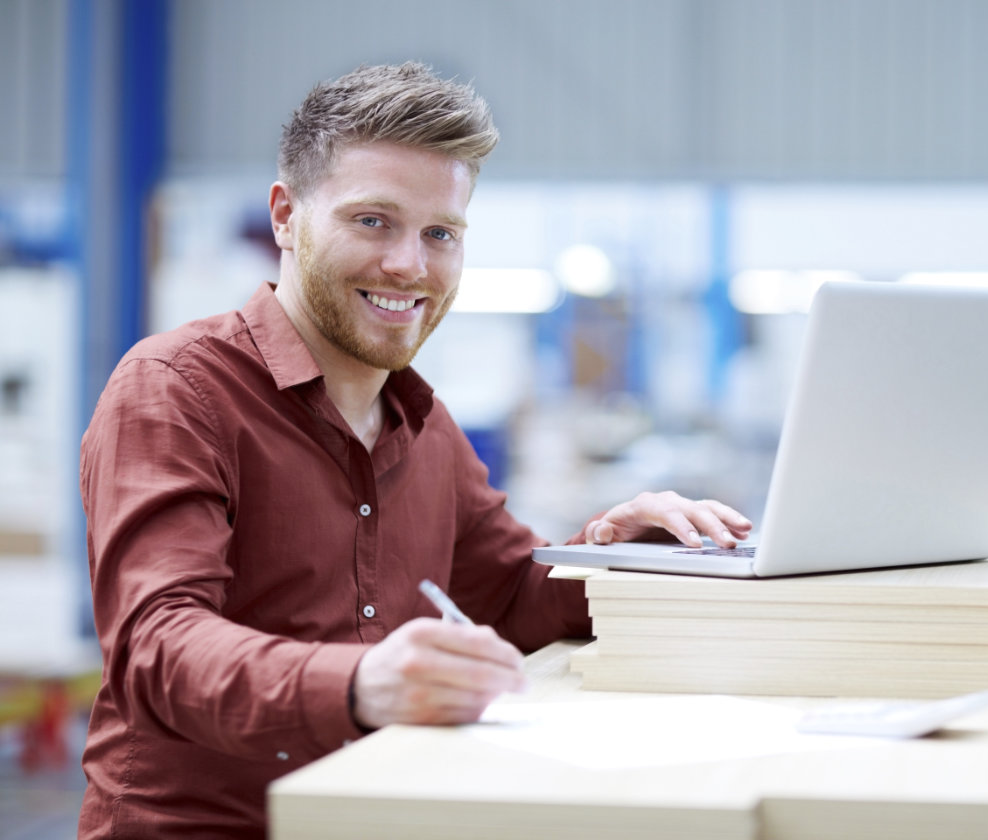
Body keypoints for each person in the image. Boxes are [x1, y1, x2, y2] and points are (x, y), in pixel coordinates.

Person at [77, 61, 751, 839]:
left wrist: (630, 555)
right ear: (285, 217)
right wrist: (361, 682)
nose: (410, 265)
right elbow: (159, 646)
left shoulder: (423, 423)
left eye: (441, 234)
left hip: (380, 810)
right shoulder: (176, 391)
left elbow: (508, 599)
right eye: (373, 221)